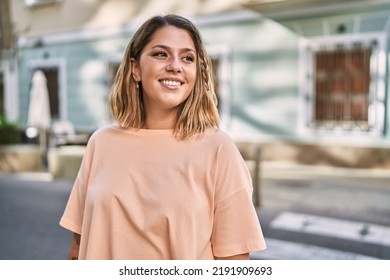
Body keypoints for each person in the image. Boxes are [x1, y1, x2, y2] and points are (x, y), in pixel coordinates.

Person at [60, 14, 266, 260]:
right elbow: (78, 246)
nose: (175, 66)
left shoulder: (218, 149)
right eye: (161, 54)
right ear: (135, 68)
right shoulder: (101, 142)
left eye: (187, 58)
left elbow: (234, 260)